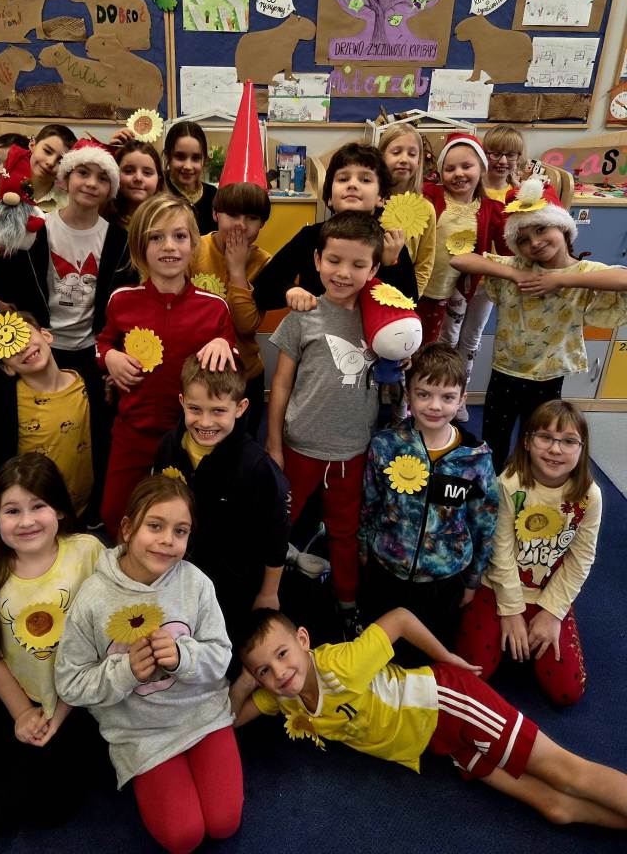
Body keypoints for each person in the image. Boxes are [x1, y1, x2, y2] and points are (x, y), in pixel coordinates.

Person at [231, 608, 627, 830]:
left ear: (303, 640)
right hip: (439, 742)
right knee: (554, 807)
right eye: (264, 670)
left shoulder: (342, 666)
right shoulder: (283, 699)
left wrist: (446, 657)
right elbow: (230, 719)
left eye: (282, 654)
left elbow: (401, 619)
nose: (279, 672)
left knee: (567, 773)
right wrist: (245, 682)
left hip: (449, 703)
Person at [55, 474, 243, 854]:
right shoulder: (93, 598)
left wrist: (184, 657)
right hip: (140, 733)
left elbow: (221, 655)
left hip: (202, 715)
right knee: (183, 837)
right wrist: (125, 672)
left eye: (180, 531)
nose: (167, 540)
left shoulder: (196, 583)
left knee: (224, 823)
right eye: (155, 526)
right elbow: (70, 683)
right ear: (127, 529)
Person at [0, 453, 104, 834]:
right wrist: (20, 712)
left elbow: (104, 642)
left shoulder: (87, 552)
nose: (27, 521)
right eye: (12, 511)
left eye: (39, 506)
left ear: (60, 510)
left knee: (51, 811)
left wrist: (60, 713)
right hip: (21, 695)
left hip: (80, 697)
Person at [451, 173, 627, 472]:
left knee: (538, 440)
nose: (534, 242)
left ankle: (528, 484)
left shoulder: (585, 272)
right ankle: (490, 485)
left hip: (548, 376)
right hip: (506, 371)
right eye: (523, 240)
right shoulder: (517, 266)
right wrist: (514, 274)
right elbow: (460, 259)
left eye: (542, 229)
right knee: (494, 439)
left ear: (563, 226)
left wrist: (561, 280)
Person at [267, 211, 383, 640]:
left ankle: (347, 602)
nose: (343, 272)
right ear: (317, 260)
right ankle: (266, 593)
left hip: (353, 450)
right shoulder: (303, 315)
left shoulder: (380, 320)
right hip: (300, 444)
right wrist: (273, 443)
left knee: (345, 532)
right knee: (280, 522)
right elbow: (281, 384)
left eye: (357, 264)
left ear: (374, 269)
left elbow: (401, 358)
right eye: (334, 260)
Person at [96, 193, 237, 535]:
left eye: (179, 236)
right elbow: (102, 343)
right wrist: (109, 357)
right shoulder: (122, 300)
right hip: (133, 430)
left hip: (192, 435)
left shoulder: (214, 307)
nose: (169, 246)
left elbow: (234, 365)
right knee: (115, 512)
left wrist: (224, 344)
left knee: (189, 516)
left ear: (193, 244)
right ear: (139, 247)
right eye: (156, 237)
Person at [457, 400, 600, 706]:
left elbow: (581, 559)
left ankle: (550, 620)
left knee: (567, 692)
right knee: (470, 675)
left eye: (568, 441)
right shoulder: (508, 485)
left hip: (547, 591)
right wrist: (511, 611)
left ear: (582, 448)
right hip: (498, 586)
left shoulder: (589, 495)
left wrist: (553, 611)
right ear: (527, 441)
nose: (555, 449)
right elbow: (500, 553)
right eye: (545, 437)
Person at [0, 138, 125, 459]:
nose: (91, 183)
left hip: (90, 349)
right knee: (36, 429)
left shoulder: (118, 239)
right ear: (65, 178)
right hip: (43, 346)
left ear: (111, 189)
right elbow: (2, 282)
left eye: (102, 178)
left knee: (92, 429)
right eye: (83, 173)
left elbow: (122, 304)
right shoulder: (36, 229)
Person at [359, 343, 498, 653]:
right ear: (408, 394)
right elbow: (369, 501)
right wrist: (364, 548)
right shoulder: (385, 445)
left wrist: (473, 579)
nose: (435, 406)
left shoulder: (476, 459)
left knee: (430, 658)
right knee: (378, 654)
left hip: (444, 579)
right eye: (424, 394)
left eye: (447, 397)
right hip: (387, 571)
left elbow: (484, 524)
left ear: (462, 399)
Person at [153, 356, 289, 640]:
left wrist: (269, 592)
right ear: (182, 402)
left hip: (234, 584)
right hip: (177, 571)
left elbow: (275, 537)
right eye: (195, 409)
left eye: (218, 411)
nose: (205, 422)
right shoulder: (167, 447)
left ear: (240, 408)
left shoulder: (258, 468)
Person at [0, 311, 97, 520]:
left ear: (46, 335)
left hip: (83, 507)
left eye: (25, 336)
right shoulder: (6, 403)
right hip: (31, 510)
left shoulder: (90, 385)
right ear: (7, 368)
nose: (22, 348)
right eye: (10, 348)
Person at [253, 142, 417, 312]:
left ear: (381, 197)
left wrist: (390, 265)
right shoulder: (310, 237)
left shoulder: (389, 243)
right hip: (314, 327)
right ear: (330, 196)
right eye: (343, 179)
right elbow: (262, 290)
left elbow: (410, 307)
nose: (352, 185)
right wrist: (290, 292)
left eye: (365, 180)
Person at [439, 125, 527, 421]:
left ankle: (459, 396)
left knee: (471, 338)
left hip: (489, 282)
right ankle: (443, 392)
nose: (502, 160)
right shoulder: (468, 189)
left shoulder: (517, 194)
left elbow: (514, 242)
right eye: (495, 153)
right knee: (447, 337)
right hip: (456, 279)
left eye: (511, 155)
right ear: (483, 157)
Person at [193, 182, 272, 435]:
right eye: (233, 215)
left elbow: (247, 325)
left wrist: (237, 270)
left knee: (242, 447)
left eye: (252, 218)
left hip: (244, 375)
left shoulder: (264, 263)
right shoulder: (193, 250)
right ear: (215, 214)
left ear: (262, 224)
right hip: (196, 373)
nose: (241, 225)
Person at [419, 132, 508, 345]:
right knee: (417, 337)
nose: (458, 173)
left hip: (457, 290)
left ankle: (444, 368)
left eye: (466, 166)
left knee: (447, 339)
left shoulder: (491, 209)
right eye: (450, 169)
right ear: (441, 173)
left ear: (482, 168)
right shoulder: (430, 195)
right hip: (422, 285)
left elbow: (508, 245)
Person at [378, 123, 437, 297]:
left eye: (412, 154)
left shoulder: (426, 209)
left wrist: (413, 297)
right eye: (396, 152)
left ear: (419, 162)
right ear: (381, 157)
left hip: (404, 294)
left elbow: (425, 262)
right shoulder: (371, 203)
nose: (404, 159)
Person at [1, 123, 77, 213]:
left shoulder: (67, 204)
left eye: (60, 161)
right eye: (47, 151)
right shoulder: (7, 185)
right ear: (32, 145)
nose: (51, 162)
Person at [163, 120, 217, 234]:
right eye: (180, 157)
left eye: (196, 158)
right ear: (167, 156)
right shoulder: (156, 192)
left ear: (204, 159)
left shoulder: (213, 196)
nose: (188, 166)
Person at [104, 138, 164, 230]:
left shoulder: (168, 219)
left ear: (158, 180)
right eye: (129, 171)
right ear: (115, 175)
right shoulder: (103, 219)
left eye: (147, 173)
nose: (138, 178)